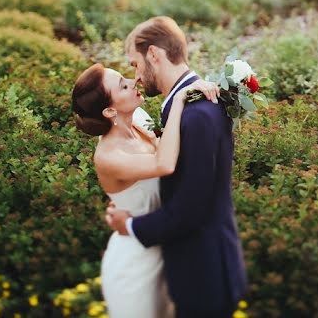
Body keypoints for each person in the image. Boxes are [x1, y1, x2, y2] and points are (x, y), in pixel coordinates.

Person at [105, 16, 248, 318]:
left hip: (204, 275)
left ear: (154, 54)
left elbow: (191, 207)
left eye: (135, 64)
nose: (136, 76)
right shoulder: (192, 105)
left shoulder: (196, 114)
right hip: (197, 269)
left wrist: (129, 225)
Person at [72, 62, 220, 318]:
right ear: (109, 111)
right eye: (123, 85)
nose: (133, 82)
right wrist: (180, 99)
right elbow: (164, 163)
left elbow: (172, 144)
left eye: (125, 78)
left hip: (167, 243)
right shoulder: (109, 156)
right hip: (136, 262)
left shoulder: (140, 120)